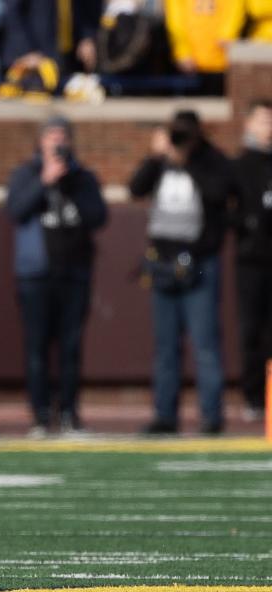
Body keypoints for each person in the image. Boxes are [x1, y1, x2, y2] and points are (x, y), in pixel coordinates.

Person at [129, 110, 234, 435]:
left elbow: (220, 193)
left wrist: (188, 160)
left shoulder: (211, 159)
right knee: (165, 345)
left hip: (200, 261)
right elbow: (136, 187)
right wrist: (156, 156)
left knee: (204, 342)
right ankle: (165, 414)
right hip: (163, 260)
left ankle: (212, 416)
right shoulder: (161, 160)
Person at [6, 115, 107, 437]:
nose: (57, 141)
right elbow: (16, 211)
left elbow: (98, 216)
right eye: (51, 135)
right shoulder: (26, 173)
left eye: (62, 135)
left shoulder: (83, 177)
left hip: (73, 271)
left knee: (71, 347)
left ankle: (69, 414)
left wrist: (71, 183)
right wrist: (45, 181)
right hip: (35, 274)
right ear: (40, 141)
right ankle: (40, 416)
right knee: (36, 347)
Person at [231, 99, 272, 423]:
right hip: (252, 260)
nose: (268, 126)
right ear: (248, 124)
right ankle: (254, 397)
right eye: (262, 120)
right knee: (252, 331)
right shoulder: (241, 166)